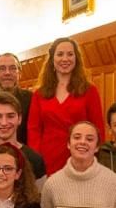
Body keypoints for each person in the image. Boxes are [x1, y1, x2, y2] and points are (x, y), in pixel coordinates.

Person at [28, 38, 105, 176]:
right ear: (52, 59)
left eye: (70, 54)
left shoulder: (89, 90)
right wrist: (36, 159)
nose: (65, 58)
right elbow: (34, 129)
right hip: (47, 157)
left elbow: (98, 128)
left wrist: (94, 156)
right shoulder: (39, 94)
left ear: (77, 59)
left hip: (80, 155)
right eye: (60, 54)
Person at [0, 53, 32, 144]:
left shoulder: (32, 99)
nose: (7, 73)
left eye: (13, 68)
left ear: (19, 73)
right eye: (2, 69)